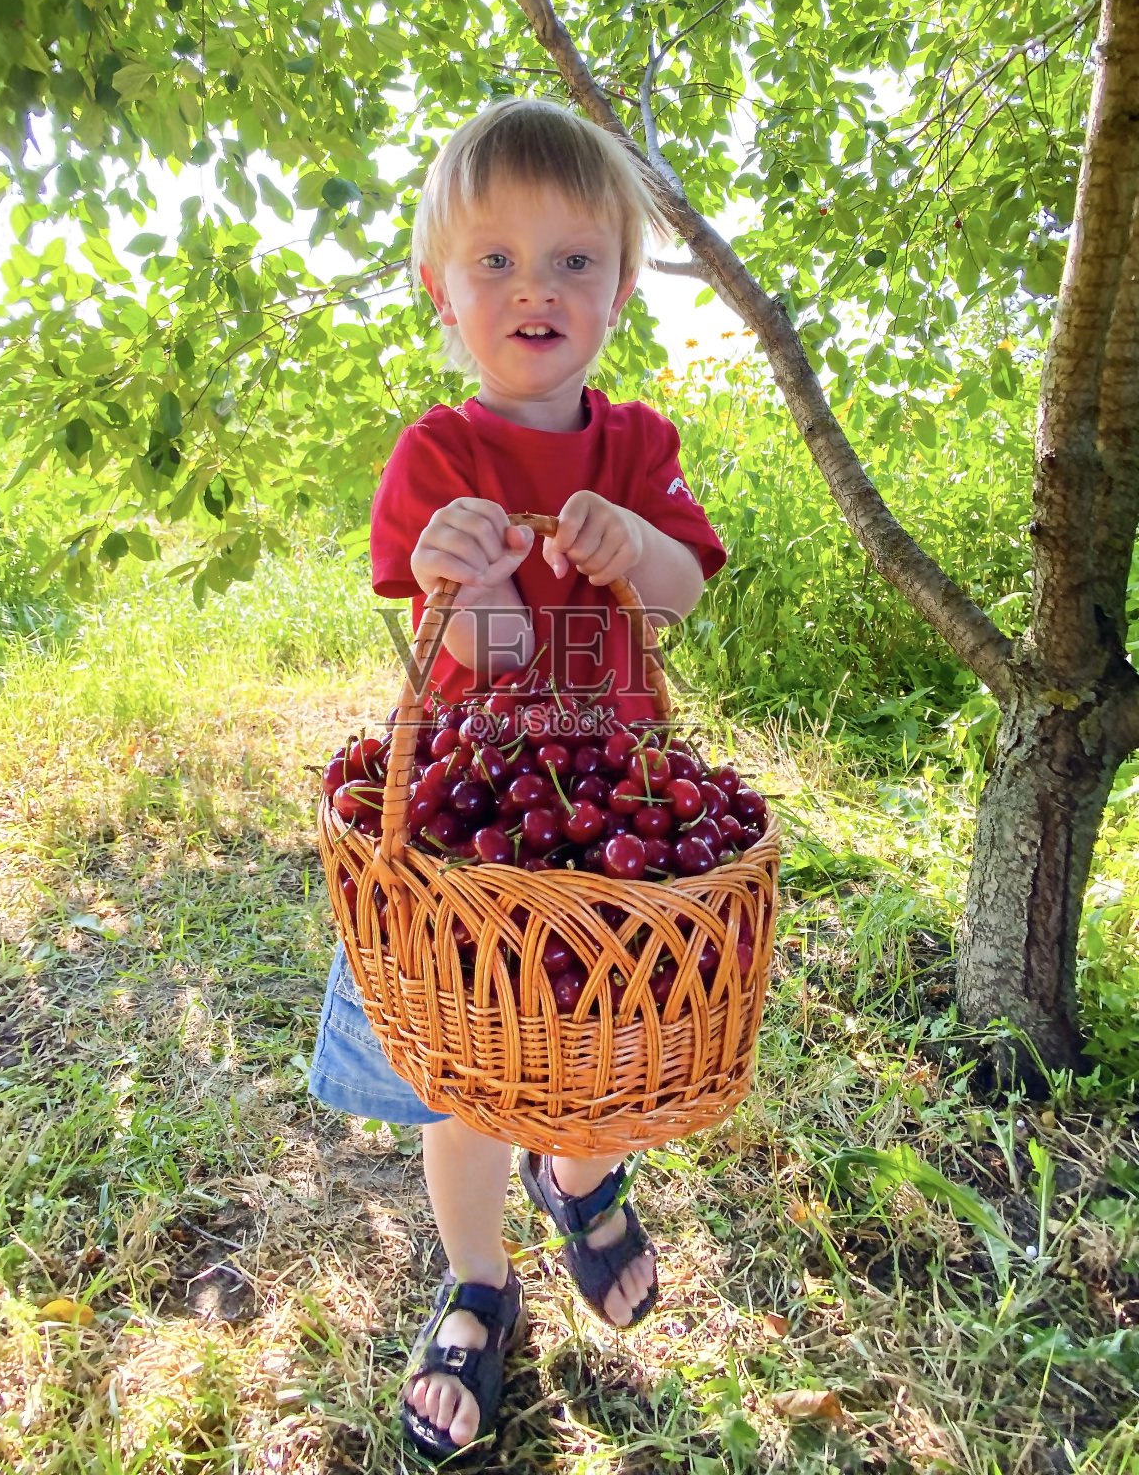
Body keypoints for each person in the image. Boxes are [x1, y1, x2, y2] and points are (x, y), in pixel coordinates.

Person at [309, 97, 727, 1462]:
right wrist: (470, 577)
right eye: (495, 261)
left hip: (610, 818)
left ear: (619, 284)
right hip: (470, 833)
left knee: (601, 1044)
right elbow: (477, 666)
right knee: (471, 1078)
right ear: (441, 290)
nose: (533, 288)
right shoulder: (438, 461)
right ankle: (478, 1277)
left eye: (571, 259)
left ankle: (587, 1176)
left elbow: (678, 594)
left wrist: (629, 548)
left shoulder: (638, 447)